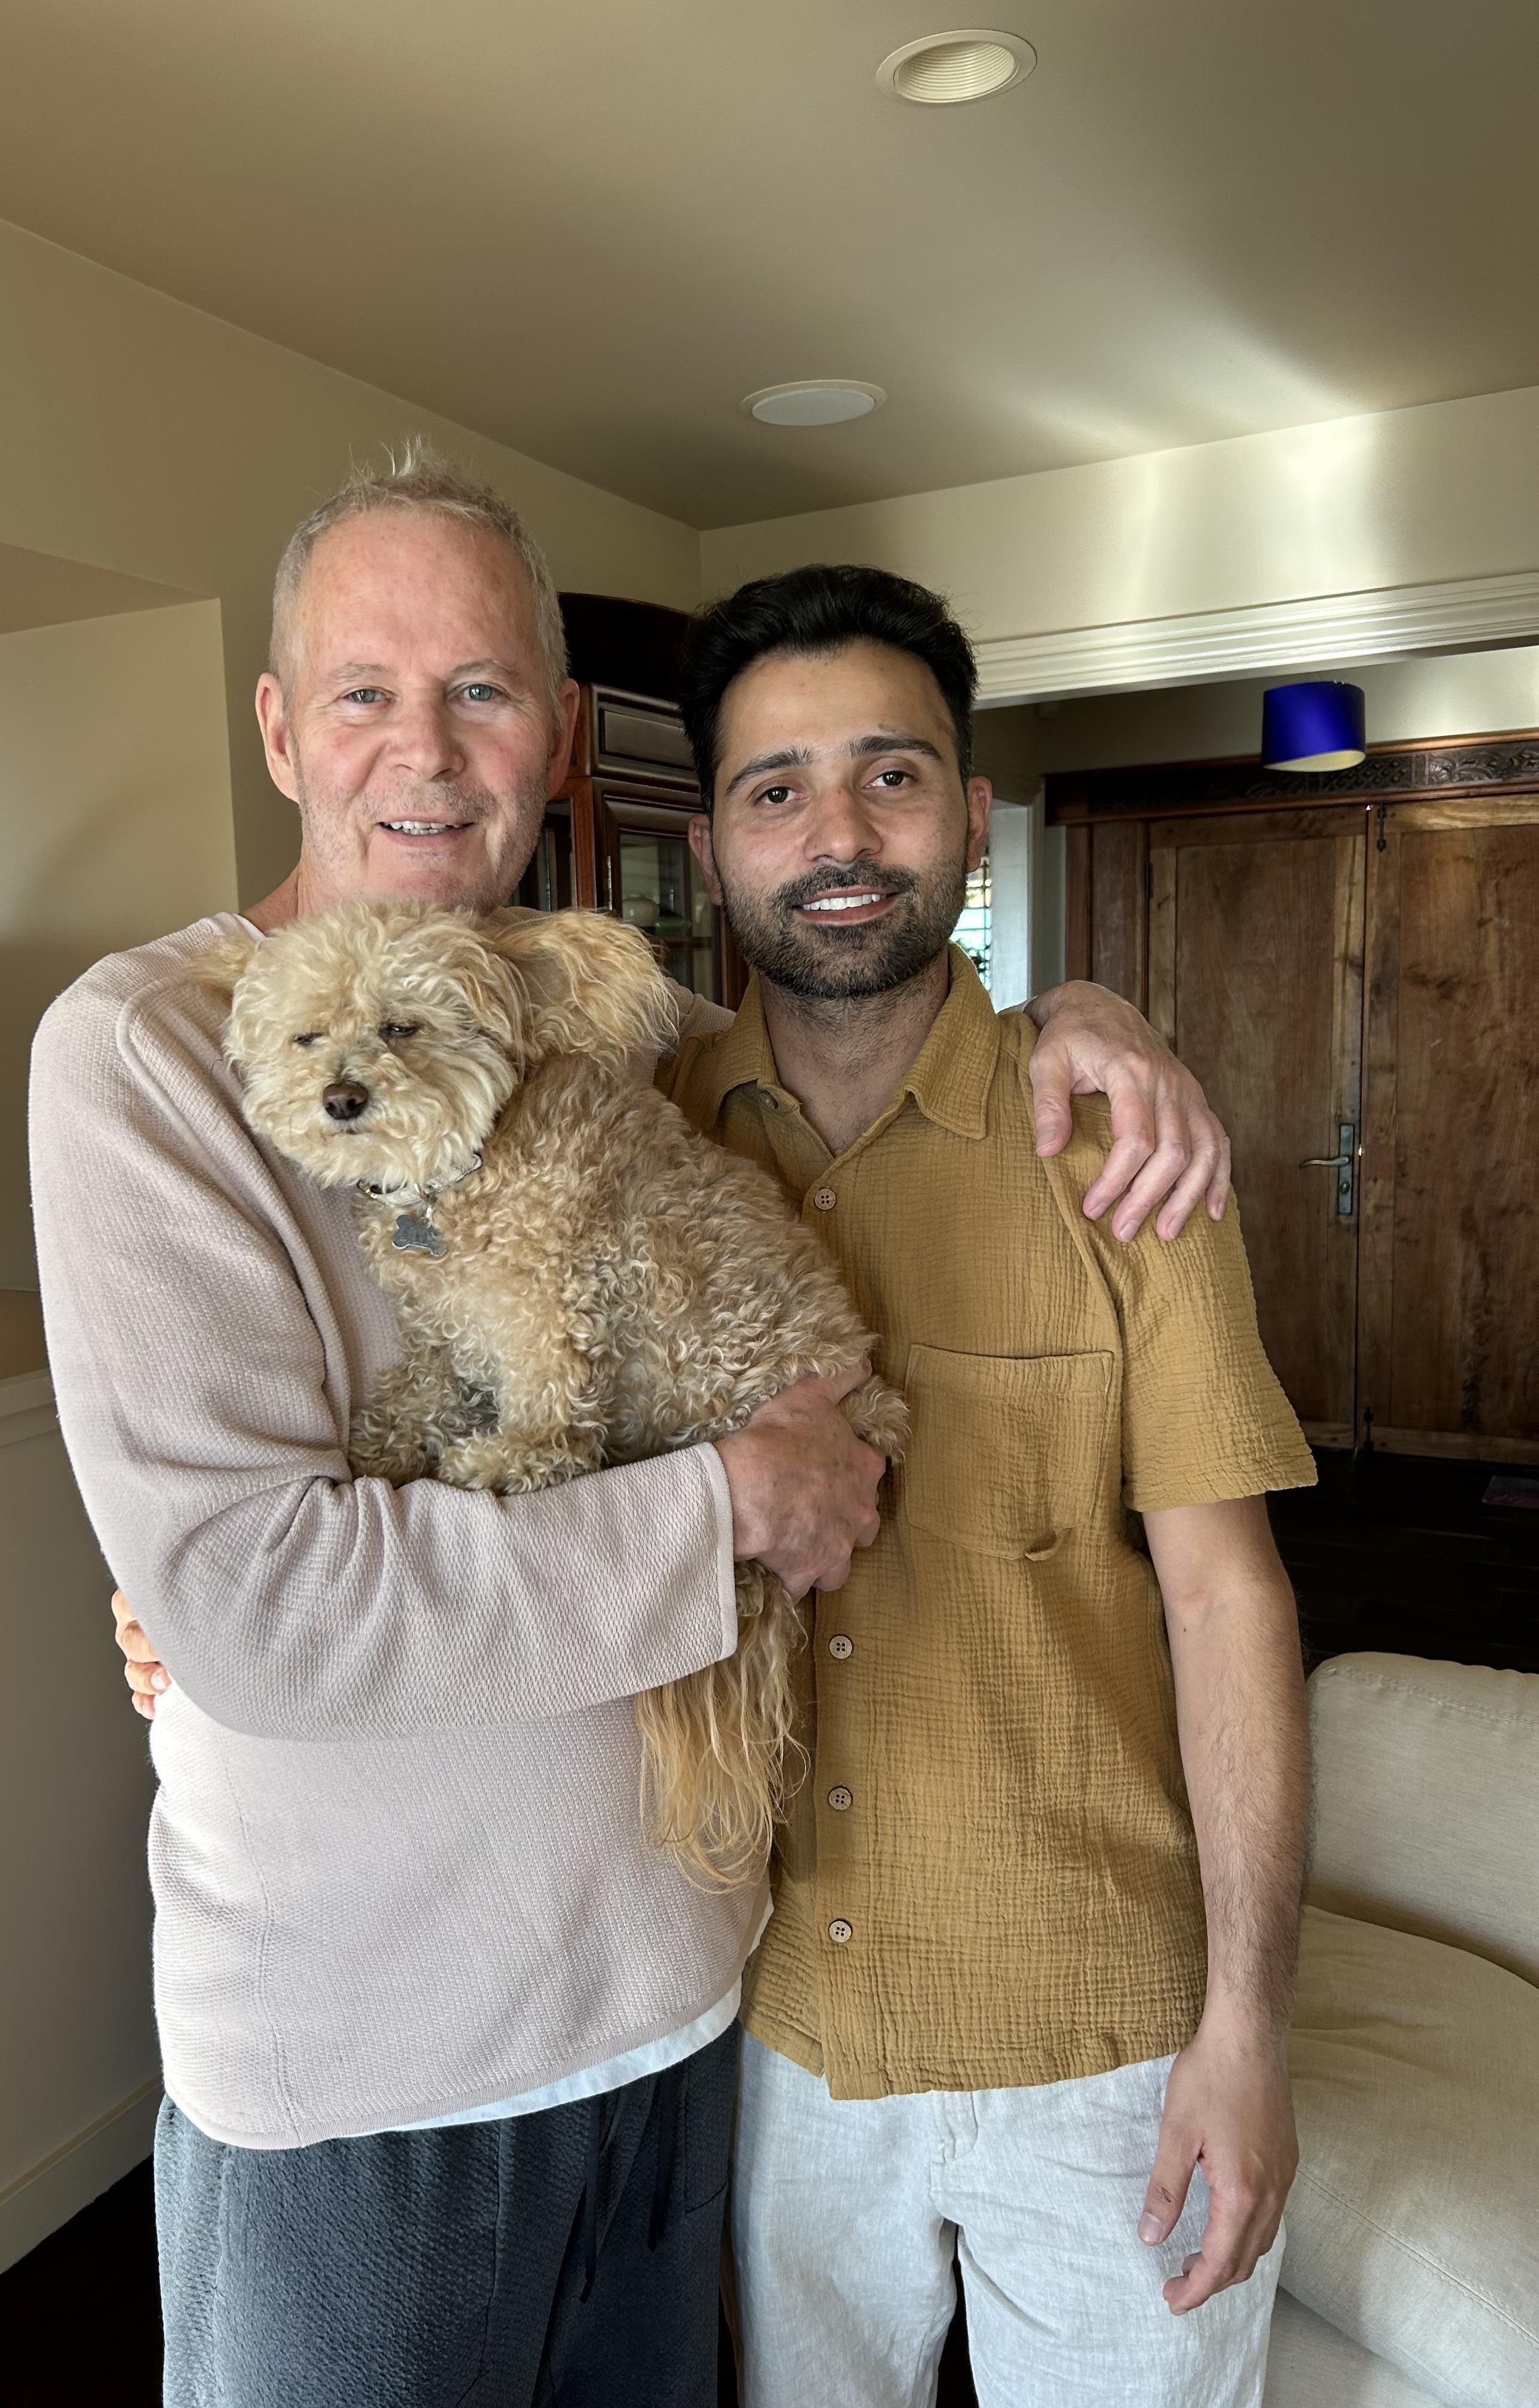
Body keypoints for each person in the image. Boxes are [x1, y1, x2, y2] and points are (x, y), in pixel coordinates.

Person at [42, 446, 1230, 2408]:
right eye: (365, 691)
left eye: (486, 691)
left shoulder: (633, 1030)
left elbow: (863, 1030)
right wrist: (726, 1510)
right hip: (368, 2073)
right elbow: (266, 1603)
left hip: (685, 2016)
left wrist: (1092, 1008)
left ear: (563, 732)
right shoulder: (143, 1055)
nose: (427, 750)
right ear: (276, 725)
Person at [661, 563, 1314, 2406]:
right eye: (774, 789)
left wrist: (1249, 2029)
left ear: (969, 813)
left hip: (1103, 2041)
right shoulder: (645, 1139)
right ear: (710, 849)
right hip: (772, 2037)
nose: (840, 833)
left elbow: (1227, 1595)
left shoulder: (1115, 1144)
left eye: (894, 773)